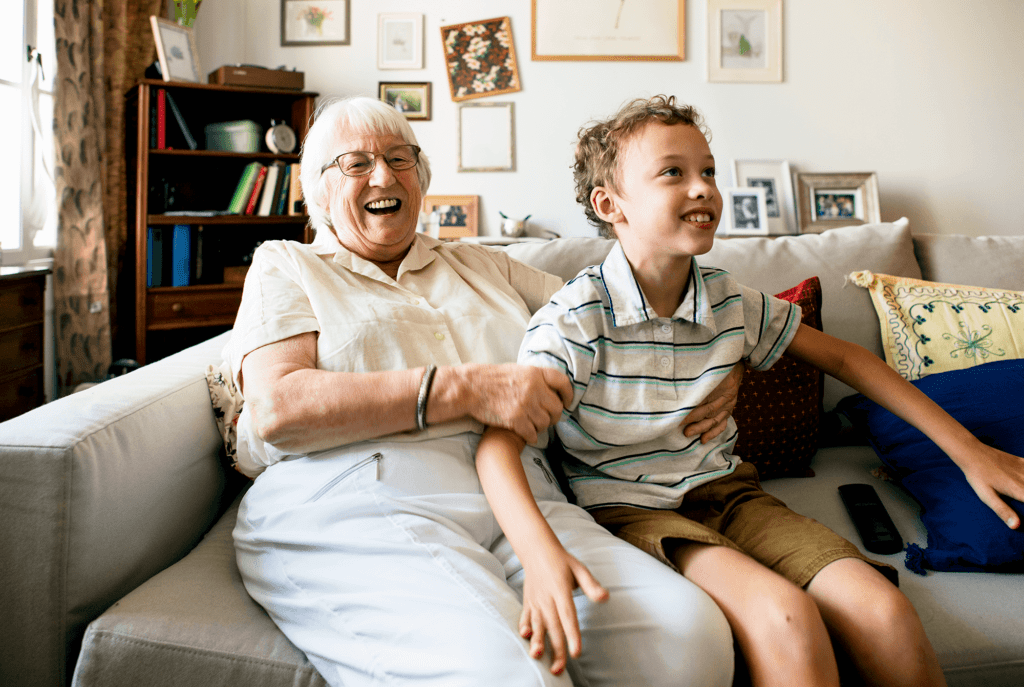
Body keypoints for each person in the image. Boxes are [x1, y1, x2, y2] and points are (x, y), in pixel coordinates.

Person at [474, 95, 1024, 687]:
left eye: (708, 170)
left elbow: (845, 356)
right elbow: (497, 446)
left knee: (884, 611)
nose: (703, 188)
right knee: (786, 618)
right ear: (612, 205)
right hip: (628, 509)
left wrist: (970, 452)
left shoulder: (726, 297)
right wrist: (540, 556)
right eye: (673, 173)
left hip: (731, 493)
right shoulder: (575, 320)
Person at [224, 96, 742, 687]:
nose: (385, 176)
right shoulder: (289, 266)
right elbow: (276, 408)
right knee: (508, 675)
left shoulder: (484, 264)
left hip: (525, 498)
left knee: (689, 635)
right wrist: (462, 389)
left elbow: (630, 315)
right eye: (356, 163)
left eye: (401, 159)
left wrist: (729, 369)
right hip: (363, 495)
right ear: (317, 188)